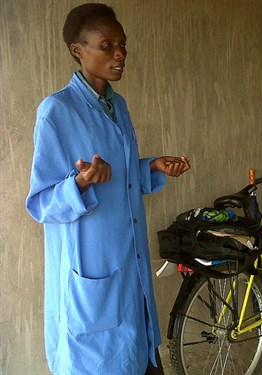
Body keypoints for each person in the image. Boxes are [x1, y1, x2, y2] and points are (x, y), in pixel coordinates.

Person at [25, 3, 190, 374]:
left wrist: (151, 167)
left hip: (128, 265)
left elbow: (123, 178)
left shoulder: (119, 106)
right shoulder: (56, 111)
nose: (119, 54)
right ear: (77, 50)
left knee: (140, 354)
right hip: (92, 273)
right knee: (100, 361)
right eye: (107, 45)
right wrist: (80, 183)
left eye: (123, 45)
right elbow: (41, 204)